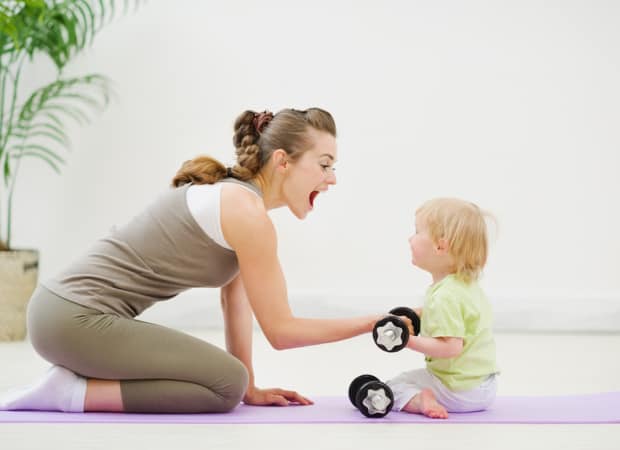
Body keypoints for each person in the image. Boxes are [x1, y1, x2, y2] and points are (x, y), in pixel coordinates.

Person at [0, 108, 385, 414]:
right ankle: (70, 393)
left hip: (63, 315)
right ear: (283, 161)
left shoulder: (239, 202)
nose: (332, 179)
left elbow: (235, 300)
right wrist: (372, 322)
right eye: (324, 164)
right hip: (72, 319)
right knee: (225, 386)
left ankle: (72, 387)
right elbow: (282, 332)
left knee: (234, 383)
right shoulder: (247, 214)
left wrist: (250, 387)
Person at [385, 198, 499, 419]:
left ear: (440, 246)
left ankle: (421, 401)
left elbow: (450, 348)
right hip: (484, 387)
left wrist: (406, 340)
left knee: (394, 386)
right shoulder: (466, 287)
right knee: (407, 380)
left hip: (457, 390)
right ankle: (426, 396)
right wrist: (418, 314)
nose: (410, 238)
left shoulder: (444, 296)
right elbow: (455, 319)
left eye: (417, 232)